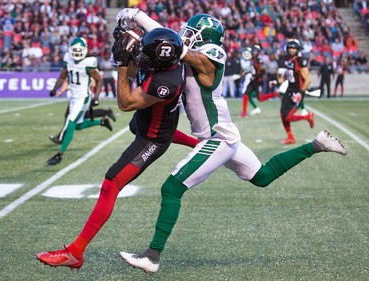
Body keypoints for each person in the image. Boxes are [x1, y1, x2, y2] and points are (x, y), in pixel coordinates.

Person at [113, 11, 347, 274]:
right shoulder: (195, 53)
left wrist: (139, 17)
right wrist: (139, 19)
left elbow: (174, 46)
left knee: (171, 188)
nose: (185, 35)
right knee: (262, 176)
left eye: (192, 32)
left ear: (205, 38)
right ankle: (317, 144)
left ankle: (152, 256)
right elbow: (171, 43)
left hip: (217, 137)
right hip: (224, 135)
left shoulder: (209, 56)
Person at [36, 27, 198, 268]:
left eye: (146, 52)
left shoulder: (166, 81)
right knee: (140, 126)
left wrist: (123, 64)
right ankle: (200, 144)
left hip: (151, 140)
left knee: (110, 184)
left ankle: (75, 253)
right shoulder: (166, 64)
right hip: (148, 126)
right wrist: (127, 51)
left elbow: (125, 102)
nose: (142, 54)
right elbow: (138, 71)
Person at [46, 37, 112, 165]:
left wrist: (97, 97)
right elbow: (62, 76)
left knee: (70, 123)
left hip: (83, 97)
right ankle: (102, 121)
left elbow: (99, 80)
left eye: (79, 50)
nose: (76, 53)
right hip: (73, 97)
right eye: (74, 51)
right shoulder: (68, 60)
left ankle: (60, 154)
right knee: (78, 125)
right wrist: (55, 89)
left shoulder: (88, 63)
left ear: (85, 50)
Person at [48, 79, 117, 145]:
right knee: (79, 117)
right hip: (76, 98)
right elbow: (67, 80)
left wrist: (83, 82)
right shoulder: (73, 69)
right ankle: (104, 115)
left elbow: (93, 83)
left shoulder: (84, 69)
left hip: (81, 97)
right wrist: (61, 91)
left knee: (70, 117)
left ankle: (60, 137)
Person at [277, 39, 315, 145]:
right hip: (289, 90)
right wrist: (276, 80)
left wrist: (301, 93)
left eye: (294, 48)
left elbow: (308, 80)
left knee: (288, 116)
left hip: (297, 91)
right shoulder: (288, 60)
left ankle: (308, 117)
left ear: (297, 49)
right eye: (290, 48)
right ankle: (290, 137)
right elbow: (286, 76)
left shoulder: (300, 60)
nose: (292, 50)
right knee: (282, 114)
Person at [239, 44, 279, 118]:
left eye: (255, 52)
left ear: (258, 53)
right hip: (253, 81)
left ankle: (275, 94)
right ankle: (244, 112)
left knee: (260, 98)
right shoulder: (251, 60)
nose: (254, 53)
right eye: (253, 51)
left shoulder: (259, 60)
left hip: (257, 81)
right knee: (245, 94)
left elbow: (262, 71)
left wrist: (255, 76)